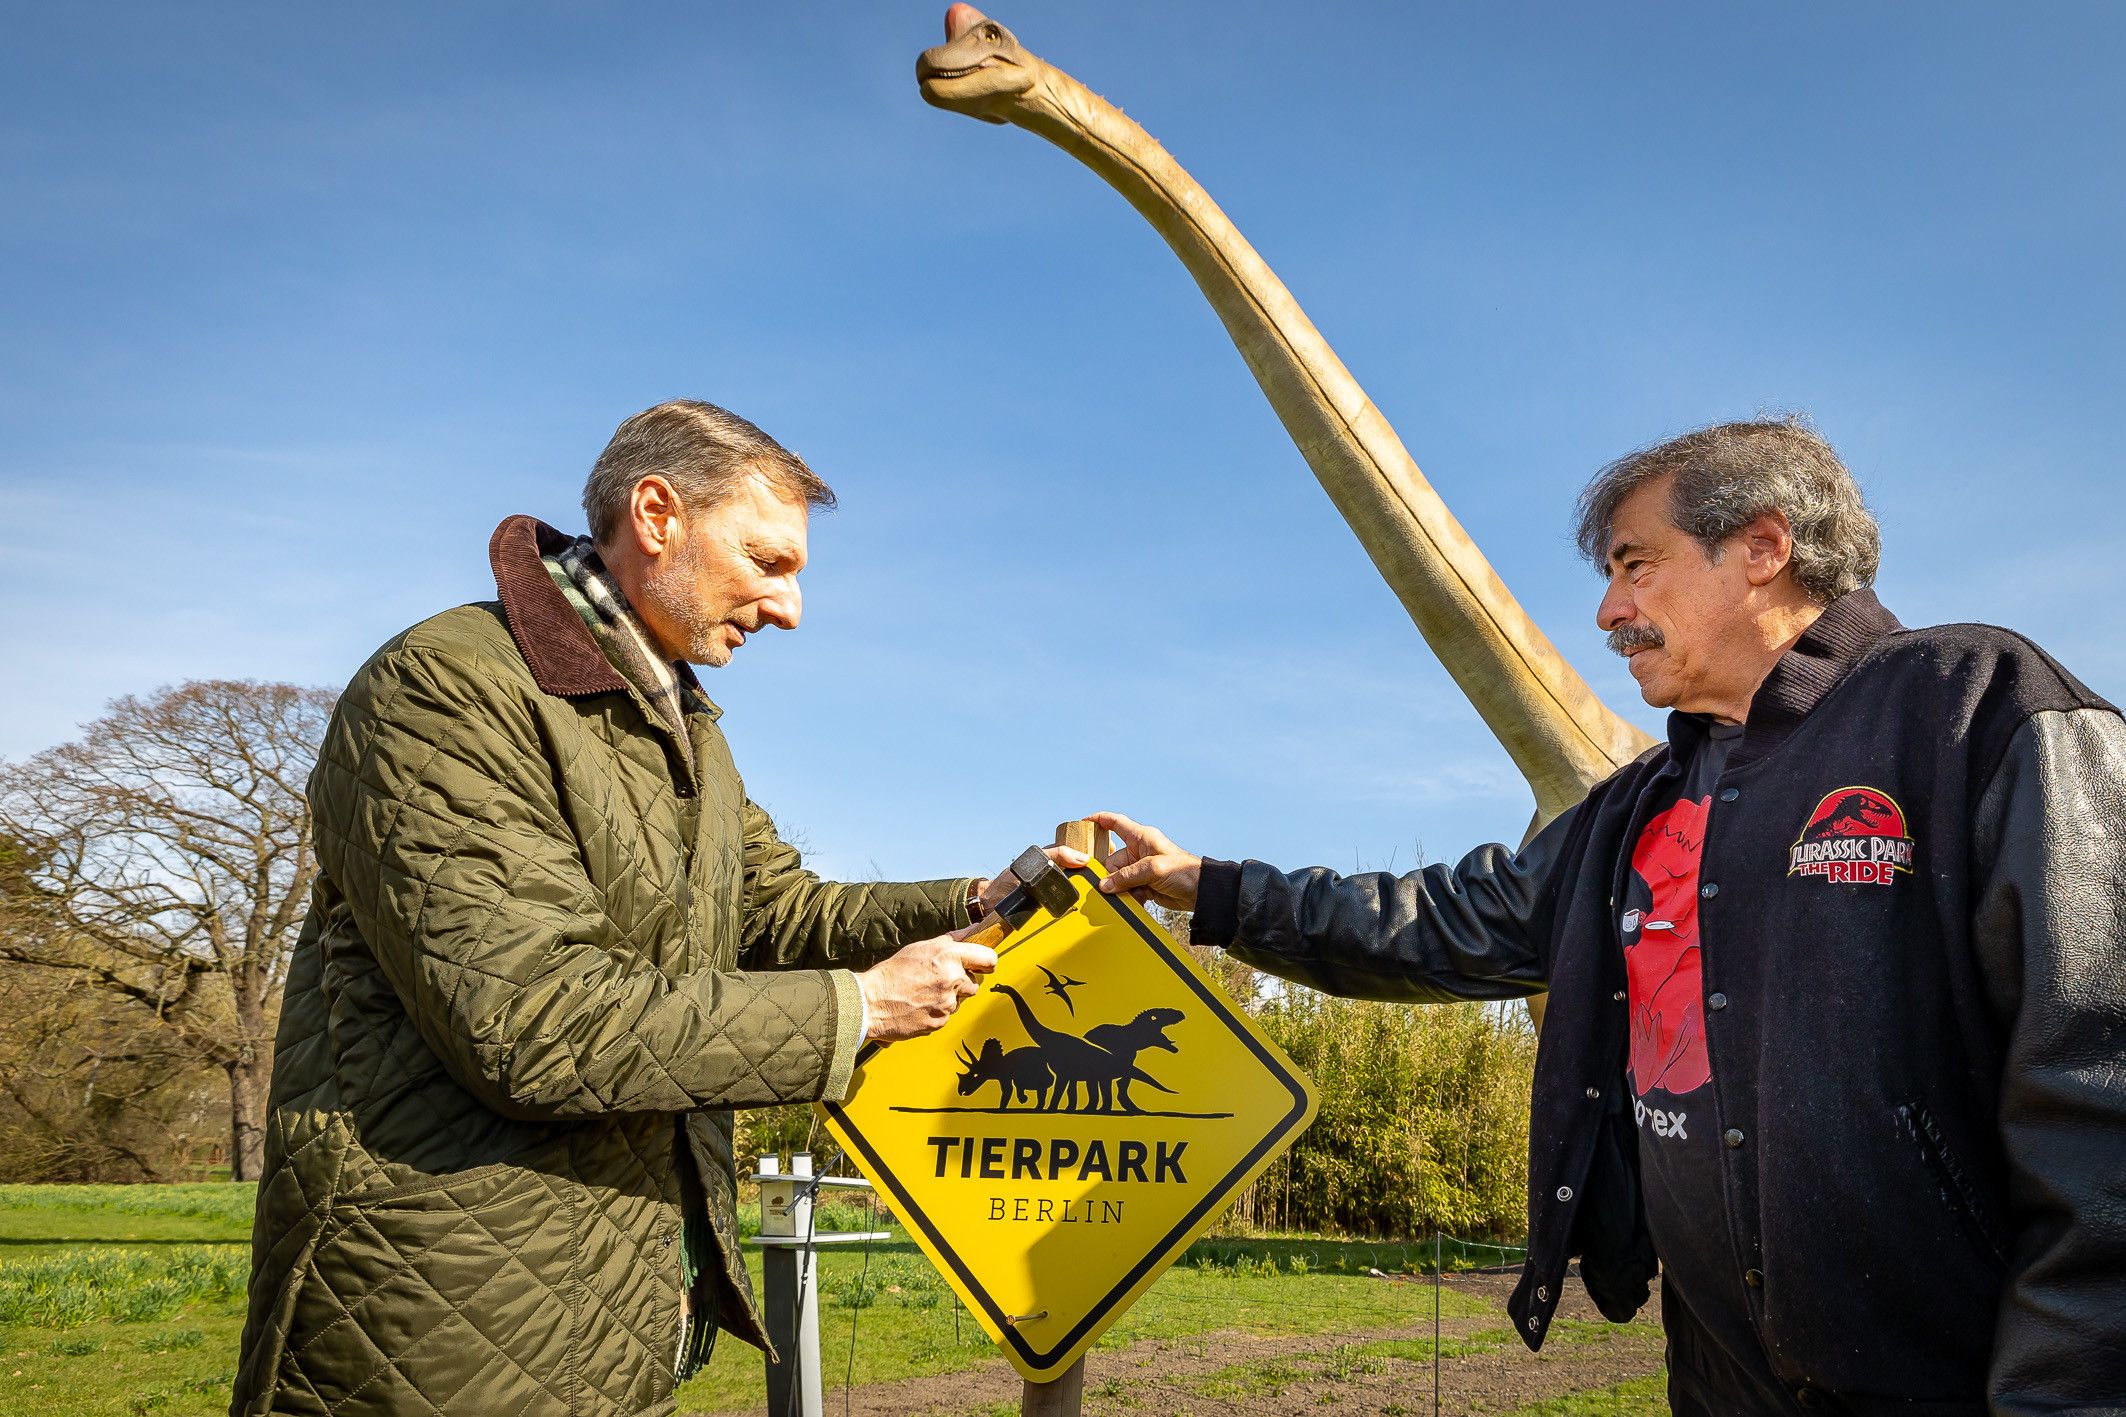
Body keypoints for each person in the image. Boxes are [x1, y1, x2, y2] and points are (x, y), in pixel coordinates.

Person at [1086, 420, 2126, 1415]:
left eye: (1635, 566)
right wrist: (1210, 888)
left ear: (1762, 548)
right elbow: (1446, 919)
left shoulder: (1975, 708)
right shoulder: (1636, 806)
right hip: (1720, 1384)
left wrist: (2071, 1390)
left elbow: (2096, 1090)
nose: (1606, 612)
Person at [233, 400, 1017, 1416]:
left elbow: (776, 914)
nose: (790, 609)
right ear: (656, 515)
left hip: (609, 1316)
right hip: (438, 1330)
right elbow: (536, 1020)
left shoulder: (684, 728)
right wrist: (861, 1009)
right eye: (767, 561)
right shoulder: (446, 688)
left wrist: (985, 899)